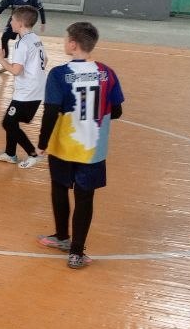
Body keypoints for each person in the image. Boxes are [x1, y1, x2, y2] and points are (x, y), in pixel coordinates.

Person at [35, 21, 124, 269]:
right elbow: (117, 111)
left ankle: (62, 236)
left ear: (73, 44)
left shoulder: (59, 74)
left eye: (65, 40)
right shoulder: (107, 73)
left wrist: (42, 143)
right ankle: (76, 253)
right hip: (93, 149)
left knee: (60, 188)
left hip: (64, 146)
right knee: (85, 199)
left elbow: (51, 111)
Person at [0, 6, 48, 167]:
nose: (10, 22)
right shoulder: (35, 39)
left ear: (20, 23)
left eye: (12, 19)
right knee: (12, 121)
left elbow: (16, 70)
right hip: (36, 89)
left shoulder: (22, 43)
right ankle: (10, 153)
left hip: (26, 92)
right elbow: (45, 60)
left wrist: (0, 58)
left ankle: (32, 153)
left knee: (8, 122)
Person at [0, 0, 46, 72]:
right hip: (13, 21)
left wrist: (43, 22)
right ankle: (6, 62)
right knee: (4, 38)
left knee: (24, 43)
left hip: (25, 23)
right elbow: (3, 5)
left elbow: (41, 8)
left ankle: (23, 64)